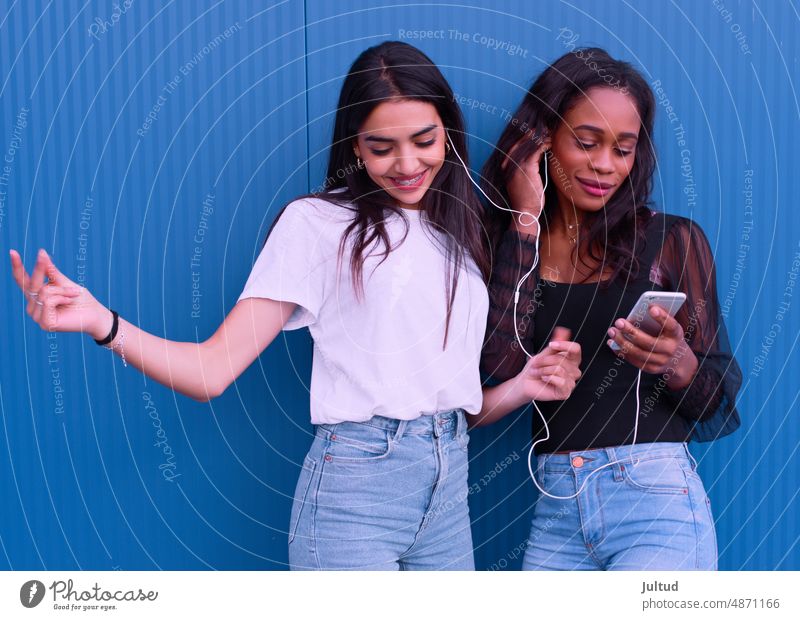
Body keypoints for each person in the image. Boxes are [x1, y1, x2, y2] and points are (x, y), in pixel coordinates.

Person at [9, 41, 580, 571]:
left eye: (424, 141)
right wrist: (101, 323)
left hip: (449, 491)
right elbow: (211, 372)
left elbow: (454, 407)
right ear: (354, 146)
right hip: (356, 494)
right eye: (381, 147)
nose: (407, 165)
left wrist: (525, 385)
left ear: (449, 133)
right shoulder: (318, 225)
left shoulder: (458, 234)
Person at [475, 47, 742, 570]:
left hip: (657, 499)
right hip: (556, 506)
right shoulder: (502, 242)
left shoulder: (670, 240)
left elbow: (717, 404)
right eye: (586, 142)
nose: (605, 165)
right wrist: (525, 219)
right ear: (541, 139)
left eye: (623, 149)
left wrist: (677, 363)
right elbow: (493, 371)